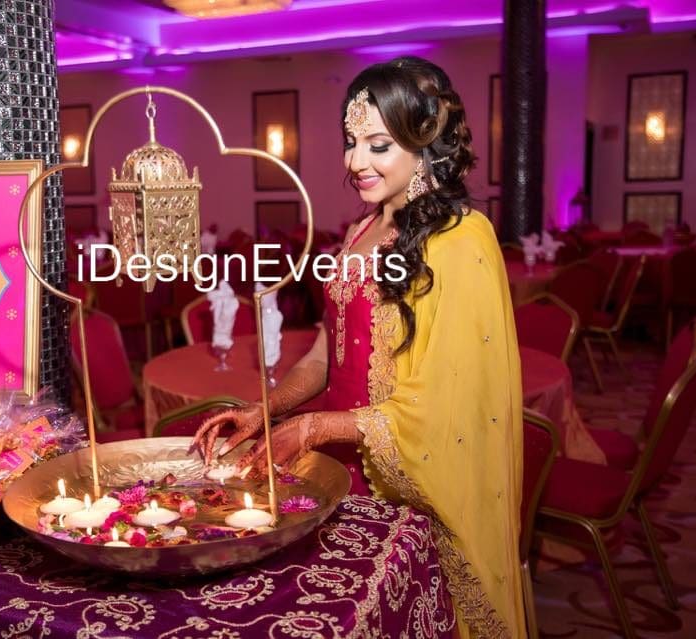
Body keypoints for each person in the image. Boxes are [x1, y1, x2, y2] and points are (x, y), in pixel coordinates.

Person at [193, 57, 524, 637]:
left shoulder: (460, 239)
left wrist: (317, 429)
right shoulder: (360, 230)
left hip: (405, 482)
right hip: (337, 467)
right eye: (351, 142)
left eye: (377, 145)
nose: (354, 162)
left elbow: (447, 406)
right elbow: (327, 352)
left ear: (426, 145)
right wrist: (268, 409)